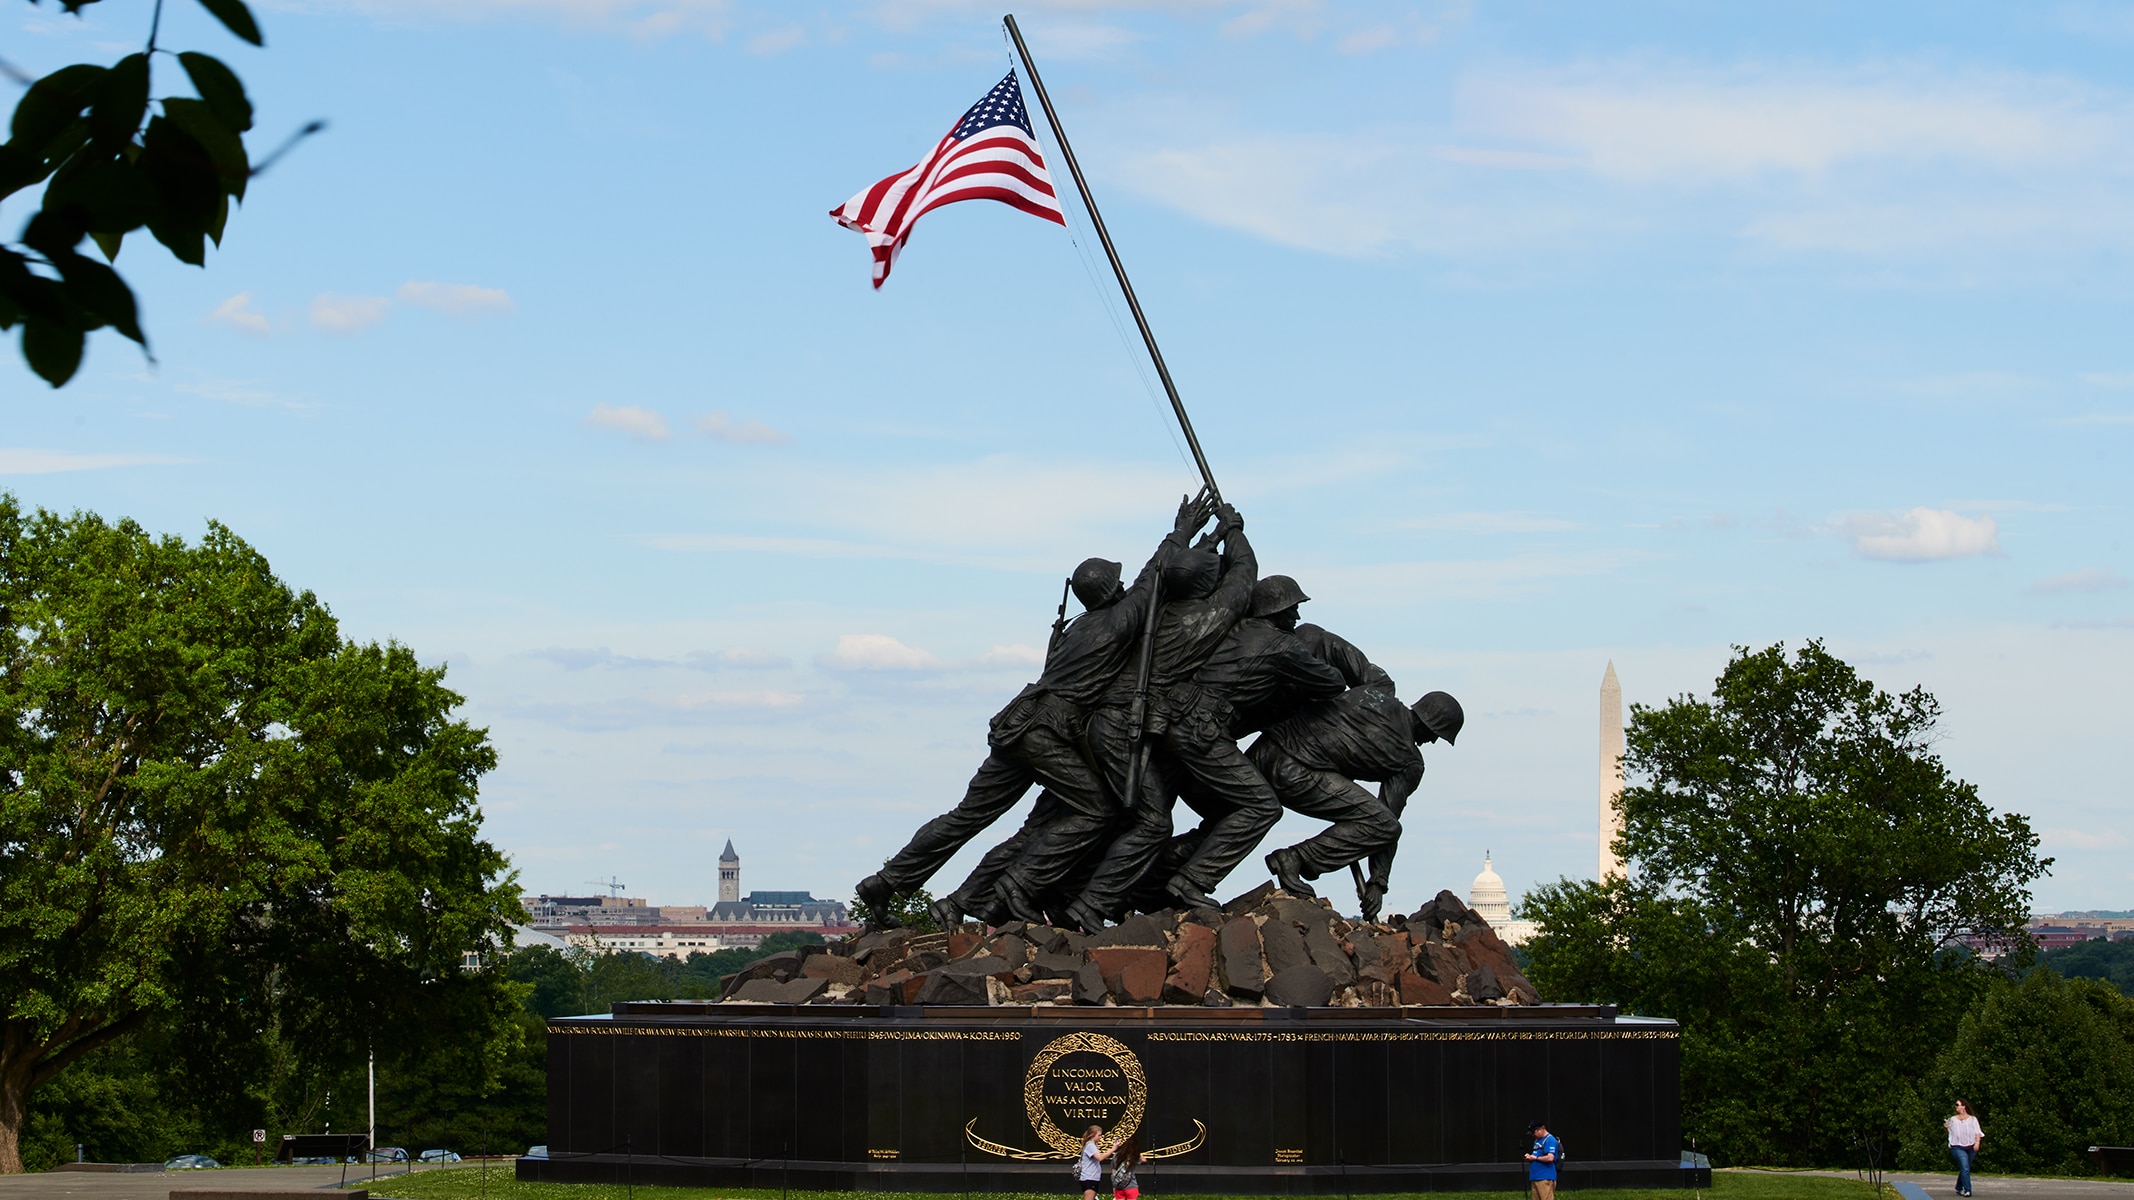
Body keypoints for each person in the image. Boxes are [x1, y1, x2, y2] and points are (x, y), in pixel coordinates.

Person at [854, 496, 1210, 929]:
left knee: (967, 816)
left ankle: (887, 881)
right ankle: (1018, 887)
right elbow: (1151, 578)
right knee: (1096, 810)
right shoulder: (1117, 621)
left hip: (1018, 723)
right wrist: (1181, 532)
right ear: (1111, 591)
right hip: (1047, 731)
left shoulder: (1077, 627)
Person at [1251, 681, 1464, 921]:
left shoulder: (1373, 693)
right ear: (1430, 724)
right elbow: (1387, 819)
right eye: (1437, 734)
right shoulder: (1410, 762)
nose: (1433, 741)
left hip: (1263, 750)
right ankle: (1294, 859)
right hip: (1295, 772)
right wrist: (1378, 883)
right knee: (1384, 825)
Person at [1945, 1099, 1982, 1196]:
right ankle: (1967, 1189)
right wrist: (1947, 1127)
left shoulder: (1973, 1119)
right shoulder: (1953, 1119)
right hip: (1957, 1146)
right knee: (1965, 1167)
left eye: (1958, 1104)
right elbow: (1951, 1133)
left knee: (1965, 1168)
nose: (1956, 1106)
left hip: (1970, 1147)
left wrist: (1977, 1143)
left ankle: (1958, 1187)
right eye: (1956, 1105)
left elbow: (1977, 1132)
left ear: (1964, 1106)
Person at [1524, 1120, 1559, 1200]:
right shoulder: (1537, 1141)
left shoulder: (1550, 1140)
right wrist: (1529, 1156)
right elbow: (1536, 1154)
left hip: (1545, 1177)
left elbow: (1550, 1158)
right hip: (1535, 1177)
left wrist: (1535, 1158)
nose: (1533, 1135)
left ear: (1540, 1129)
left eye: (1534, 1132)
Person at [1078, 1124, 1113, 1200]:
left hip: (1092, 1178)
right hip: (1089, 1178)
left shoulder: (1091, 1145)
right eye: (1099, 1135)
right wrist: (1113, 1149)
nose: (1100, 1138)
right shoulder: (1090, 1145)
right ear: (1092, 1135)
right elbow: (1099, 1158)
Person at [1111, 1135, 1144, 1200]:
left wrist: (1114, 1187)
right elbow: (1144, 1160)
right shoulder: (1134, 1157)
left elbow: (1113, 1171)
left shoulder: (1116, 1156)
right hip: (1131, 1186)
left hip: (1119, 1186)